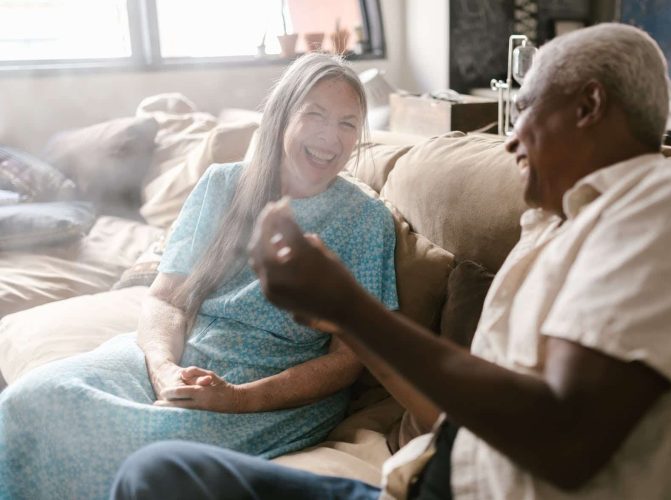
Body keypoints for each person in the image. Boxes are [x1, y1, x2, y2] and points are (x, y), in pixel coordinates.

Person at [111, 23, 671, 500]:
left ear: (588, 105)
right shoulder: (552, 231)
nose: (509, 138)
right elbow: (461, 421)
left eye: (521, 113)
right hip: (423, 476)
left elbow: (565, 443)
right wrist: (338, 319)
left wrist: (353, 309)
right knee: (162, 475)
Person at [0, 53, 399, 500]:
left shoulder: (367, 221)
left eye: (348, 123)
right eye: (315, 115)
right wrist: (164, 369)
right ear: (282, 115)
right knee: (30, 400)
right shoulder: (222, 185)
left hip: (267, 391)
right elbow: (167, 299)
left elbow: (347, 360)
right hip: (177, 356)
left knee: (134, 449)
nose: (331, 138)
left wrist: (239, 398)